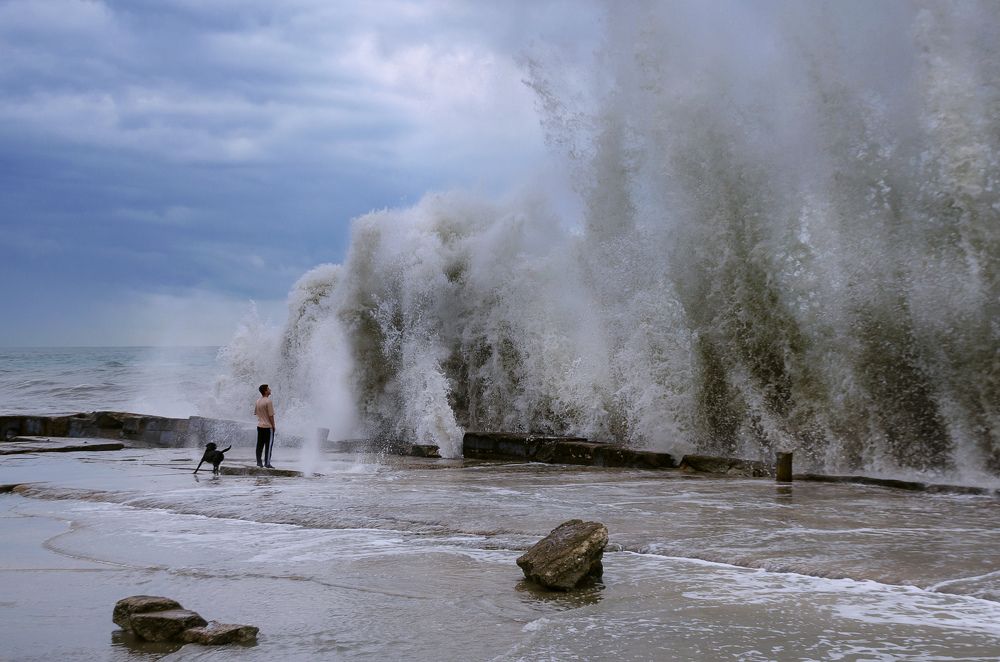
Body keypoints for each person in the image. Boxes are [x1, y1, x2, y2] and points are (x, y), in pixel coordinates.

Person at [254, 384, 276, 468]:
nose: (270, 390)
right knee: (268, 446)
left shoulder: (258, 401)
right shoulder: (268, 401)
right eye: (268, 389)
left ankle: (259, 463)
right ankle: (267, 463)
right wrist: (273, 426)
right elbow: (271, 415)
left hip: (259, 426)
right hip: (267, 427)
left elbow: (256, 413)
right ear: (265, 391)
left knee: (259, 445)